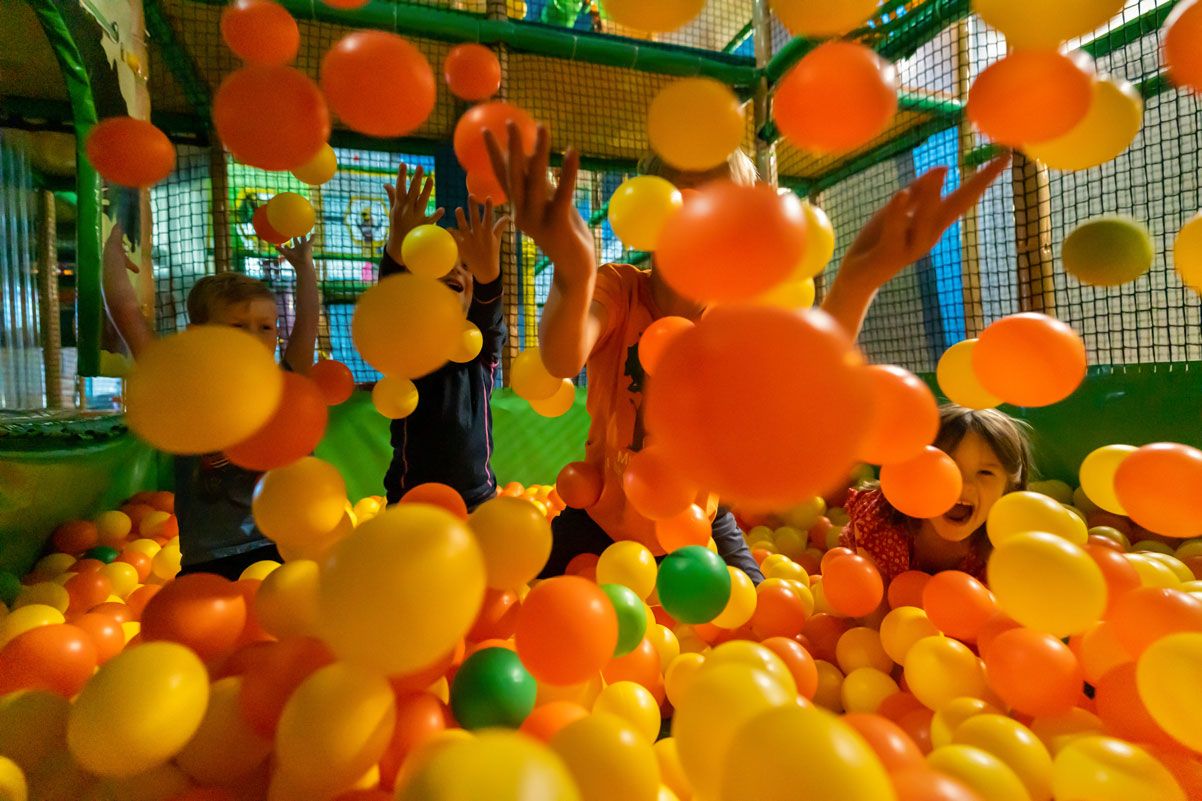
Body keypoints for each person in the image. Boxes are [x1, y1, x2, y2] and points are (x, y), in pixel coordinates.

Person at [484, 122, 1011, 583]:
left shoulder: (744, 316)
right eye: (684, 199)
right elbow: (561, 357)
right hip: (600, 518)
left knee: (763, 625)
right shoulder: (620, 291)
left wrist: (861, 275)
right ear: (649, 212)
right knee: (532, 612)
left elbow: (809, 368)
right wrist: (573, 273)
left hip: (701, 522)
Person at [101, 223, 318, 579]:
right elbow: (128, 315)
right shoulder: (182, 385)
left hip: (280, 547)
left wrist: (305, 268)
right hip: (211, 557)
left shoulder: (286, 382)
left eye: (266, 327)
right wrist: (111, 258)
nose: (255, 337)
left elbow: (307, 323)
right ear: (199, 336)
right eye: (237, 326)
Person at [377, 164, 509, 509]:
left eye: (465, 266)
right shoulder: (408, 344)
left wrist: (489, 273)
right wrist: (396, 248)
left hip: (478, 498)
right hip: (413, 497)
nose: (453, 268)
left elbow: (489, 311)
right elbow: (391, 303)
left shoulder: (481, 348)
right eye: (439, 263)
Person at [840, 404, 1034, 583]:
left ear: (1008, 490)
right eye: (947, 467)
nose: (964, 485)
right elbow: (872, 608)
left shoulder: (1001, 549)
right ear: (916, 471)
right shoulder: (881, 521)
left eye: (985, 473)